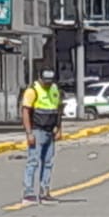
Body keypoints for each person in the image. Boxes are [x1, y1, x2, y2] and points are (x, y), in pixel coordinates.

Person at [20, 69, 63, 205]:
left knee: (48, 162)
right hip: (37, 130)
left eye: (50, 82)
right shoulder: (32, 91)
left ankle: (44, 192)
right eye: (46, 82)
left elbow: (58, 109)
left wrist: (59, 128)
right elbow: (25, 112)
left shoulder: (54, 89)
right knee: (33, 161)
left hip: (50, 130)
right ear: (39, 78)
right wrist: (29, 133)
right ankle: (28, 193)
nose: (48, 84)